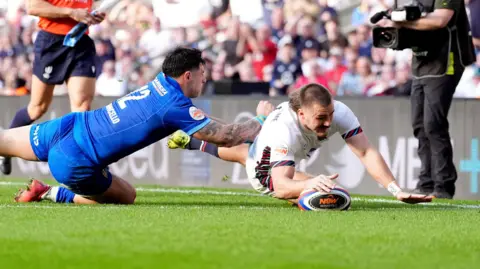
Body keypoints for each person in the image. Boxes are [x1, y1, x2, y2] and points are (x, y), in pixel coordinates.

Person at [5, 47, 272, 205]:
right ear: (188, 75)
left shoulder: (160, 82)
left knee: (3, 140)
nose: (204, 81)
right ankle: (51, 193)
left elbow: (206, 120)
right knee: (127, 195)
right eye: (203, 75)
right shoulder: (175, 107)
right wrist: (260, 120)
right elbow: (225, 137)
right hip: (77, 162)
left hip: (66, 126)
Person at [168, 83, 433, 205]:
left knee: (245, 152)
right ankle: (194, 140)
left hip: (272, 145)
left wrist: (395, 189)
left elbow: (365, 151)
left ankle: (192, 142)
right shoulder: (282, 131)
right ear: (301, 114)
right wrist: (308, 184)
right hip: (267, 172)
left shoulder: (337, 112)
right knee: (331, 193)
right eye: (321, 119)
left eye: (330, 116)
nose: (329, 124)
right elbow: (281, 186)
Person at [381, 0, 476, 199]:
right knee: (419, 124)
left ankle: (443, 185)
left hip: (446, 61)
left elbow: (440, 20)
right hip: (421, 63)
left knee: (433, 124)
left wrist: (404, 22)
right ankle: (426, 182)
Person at [0, 0, 105, 175]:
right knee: (37, 107)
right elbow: (33, 7)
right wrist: (71, 13)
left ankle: (82, 165)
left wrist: (93, 14)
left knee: (82, 106)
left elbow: (87, 6)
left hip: (80, 40)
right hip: (52, 41)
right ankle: (4, 146)